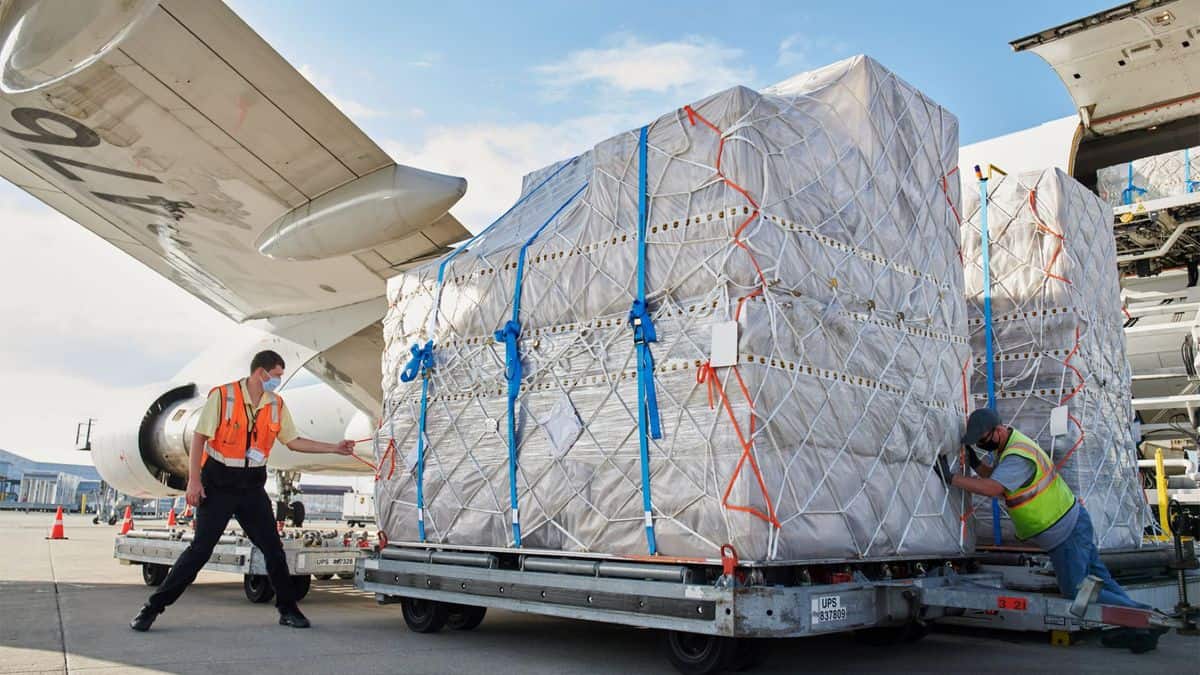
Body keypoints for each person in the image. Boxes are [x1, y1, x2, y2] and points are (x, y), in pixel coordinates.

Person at [130, 350, 355, 631]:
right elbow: (200, 437)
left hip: (251, 487)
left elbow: (294, 441)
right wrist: (194, 481)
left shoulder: (276, 404)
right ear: (260, 373)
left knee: (274, 550)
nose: (278, 381)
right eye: (276, 376)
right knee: (199, 551)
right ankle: (151, 609)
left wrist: (335, 448)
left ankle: (288, 610)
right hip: (218, 485)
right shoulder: (223, 397)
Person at [936, 408, 1162, 653]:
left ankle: (1145, 618)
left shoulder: (1016, 456)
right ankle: (1138, 627)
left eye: (982, 439)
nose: (981, 444)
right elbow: (999, 479)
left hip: (1065, 532)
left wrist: (952, 479)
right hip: (1072, 524)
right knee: (1101, 583)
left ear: (998, 431)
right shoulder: (1013, 446)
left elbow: (993, 488)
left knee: (1077, 592)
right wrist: (977, 464)